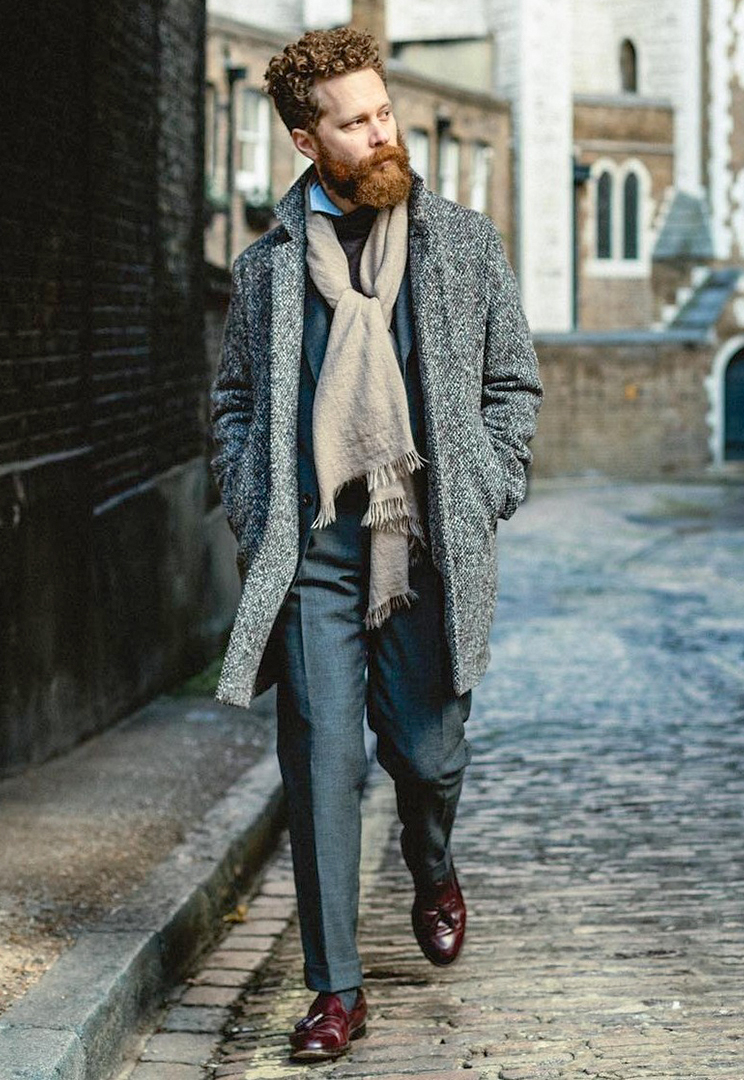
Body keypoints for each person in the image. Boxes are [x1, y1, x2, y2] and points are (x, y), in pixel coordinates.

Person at [211, 26, 543, 1062]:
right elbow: (231, 401)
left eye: (383, 110)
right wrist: (249, 497)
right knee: (316, 762)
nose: (380, 132)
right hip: (312, 549)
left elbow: (511, 386)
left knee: (429, 753)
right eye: (354, 122)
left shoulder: (460, 244)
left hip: (428, 548)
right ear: (309, 143)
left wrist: (486, 483)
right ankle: (334, 991)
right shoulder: (264, 272)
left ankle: (430, 857)